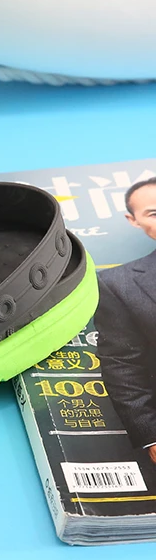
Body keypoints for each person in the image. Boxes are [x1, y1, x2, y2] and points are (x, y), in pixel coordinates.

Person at [95, 177, 156, 463]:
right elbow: (122, 364)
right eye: (153, 213)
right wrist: (150, 435)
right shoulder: (118, 283)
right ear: (134, 220)